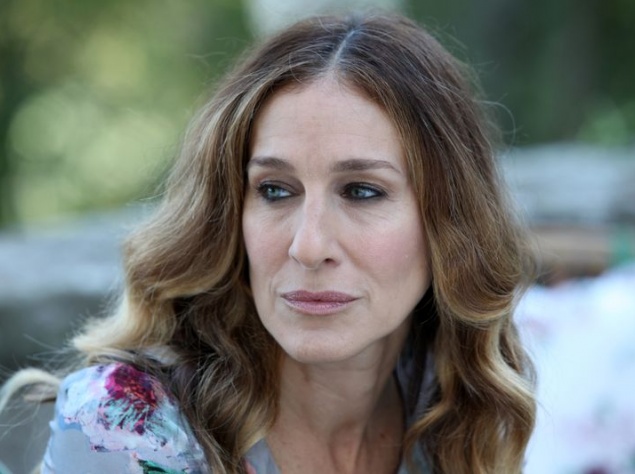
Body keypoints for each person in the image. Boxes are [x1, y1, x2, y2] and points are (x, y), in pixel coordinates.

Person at [0, 11, 536, 474]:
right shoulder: (126, 424)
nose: (308, 246)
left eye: (362, 191)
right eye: (275, 190)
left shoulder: (455, 404)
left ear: (449, 221)